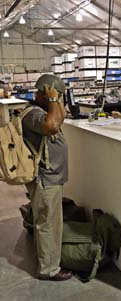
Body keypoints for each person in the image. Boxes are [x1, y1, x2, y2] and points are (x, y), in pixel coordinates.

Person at [22, 74, 72, 281]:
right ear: (44, 93)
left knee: (48, 220)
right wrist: (52, 99)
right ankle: (49, 269)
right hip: (44, 178)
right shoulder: (33, 114)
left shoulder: (43, 110)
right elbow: (52, 126)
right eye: (55, 94)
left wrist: (56, 100)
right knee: (48, 223)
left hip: (51, 177)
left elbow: (59, 120)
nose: (58, 99)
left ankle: (47, 260)